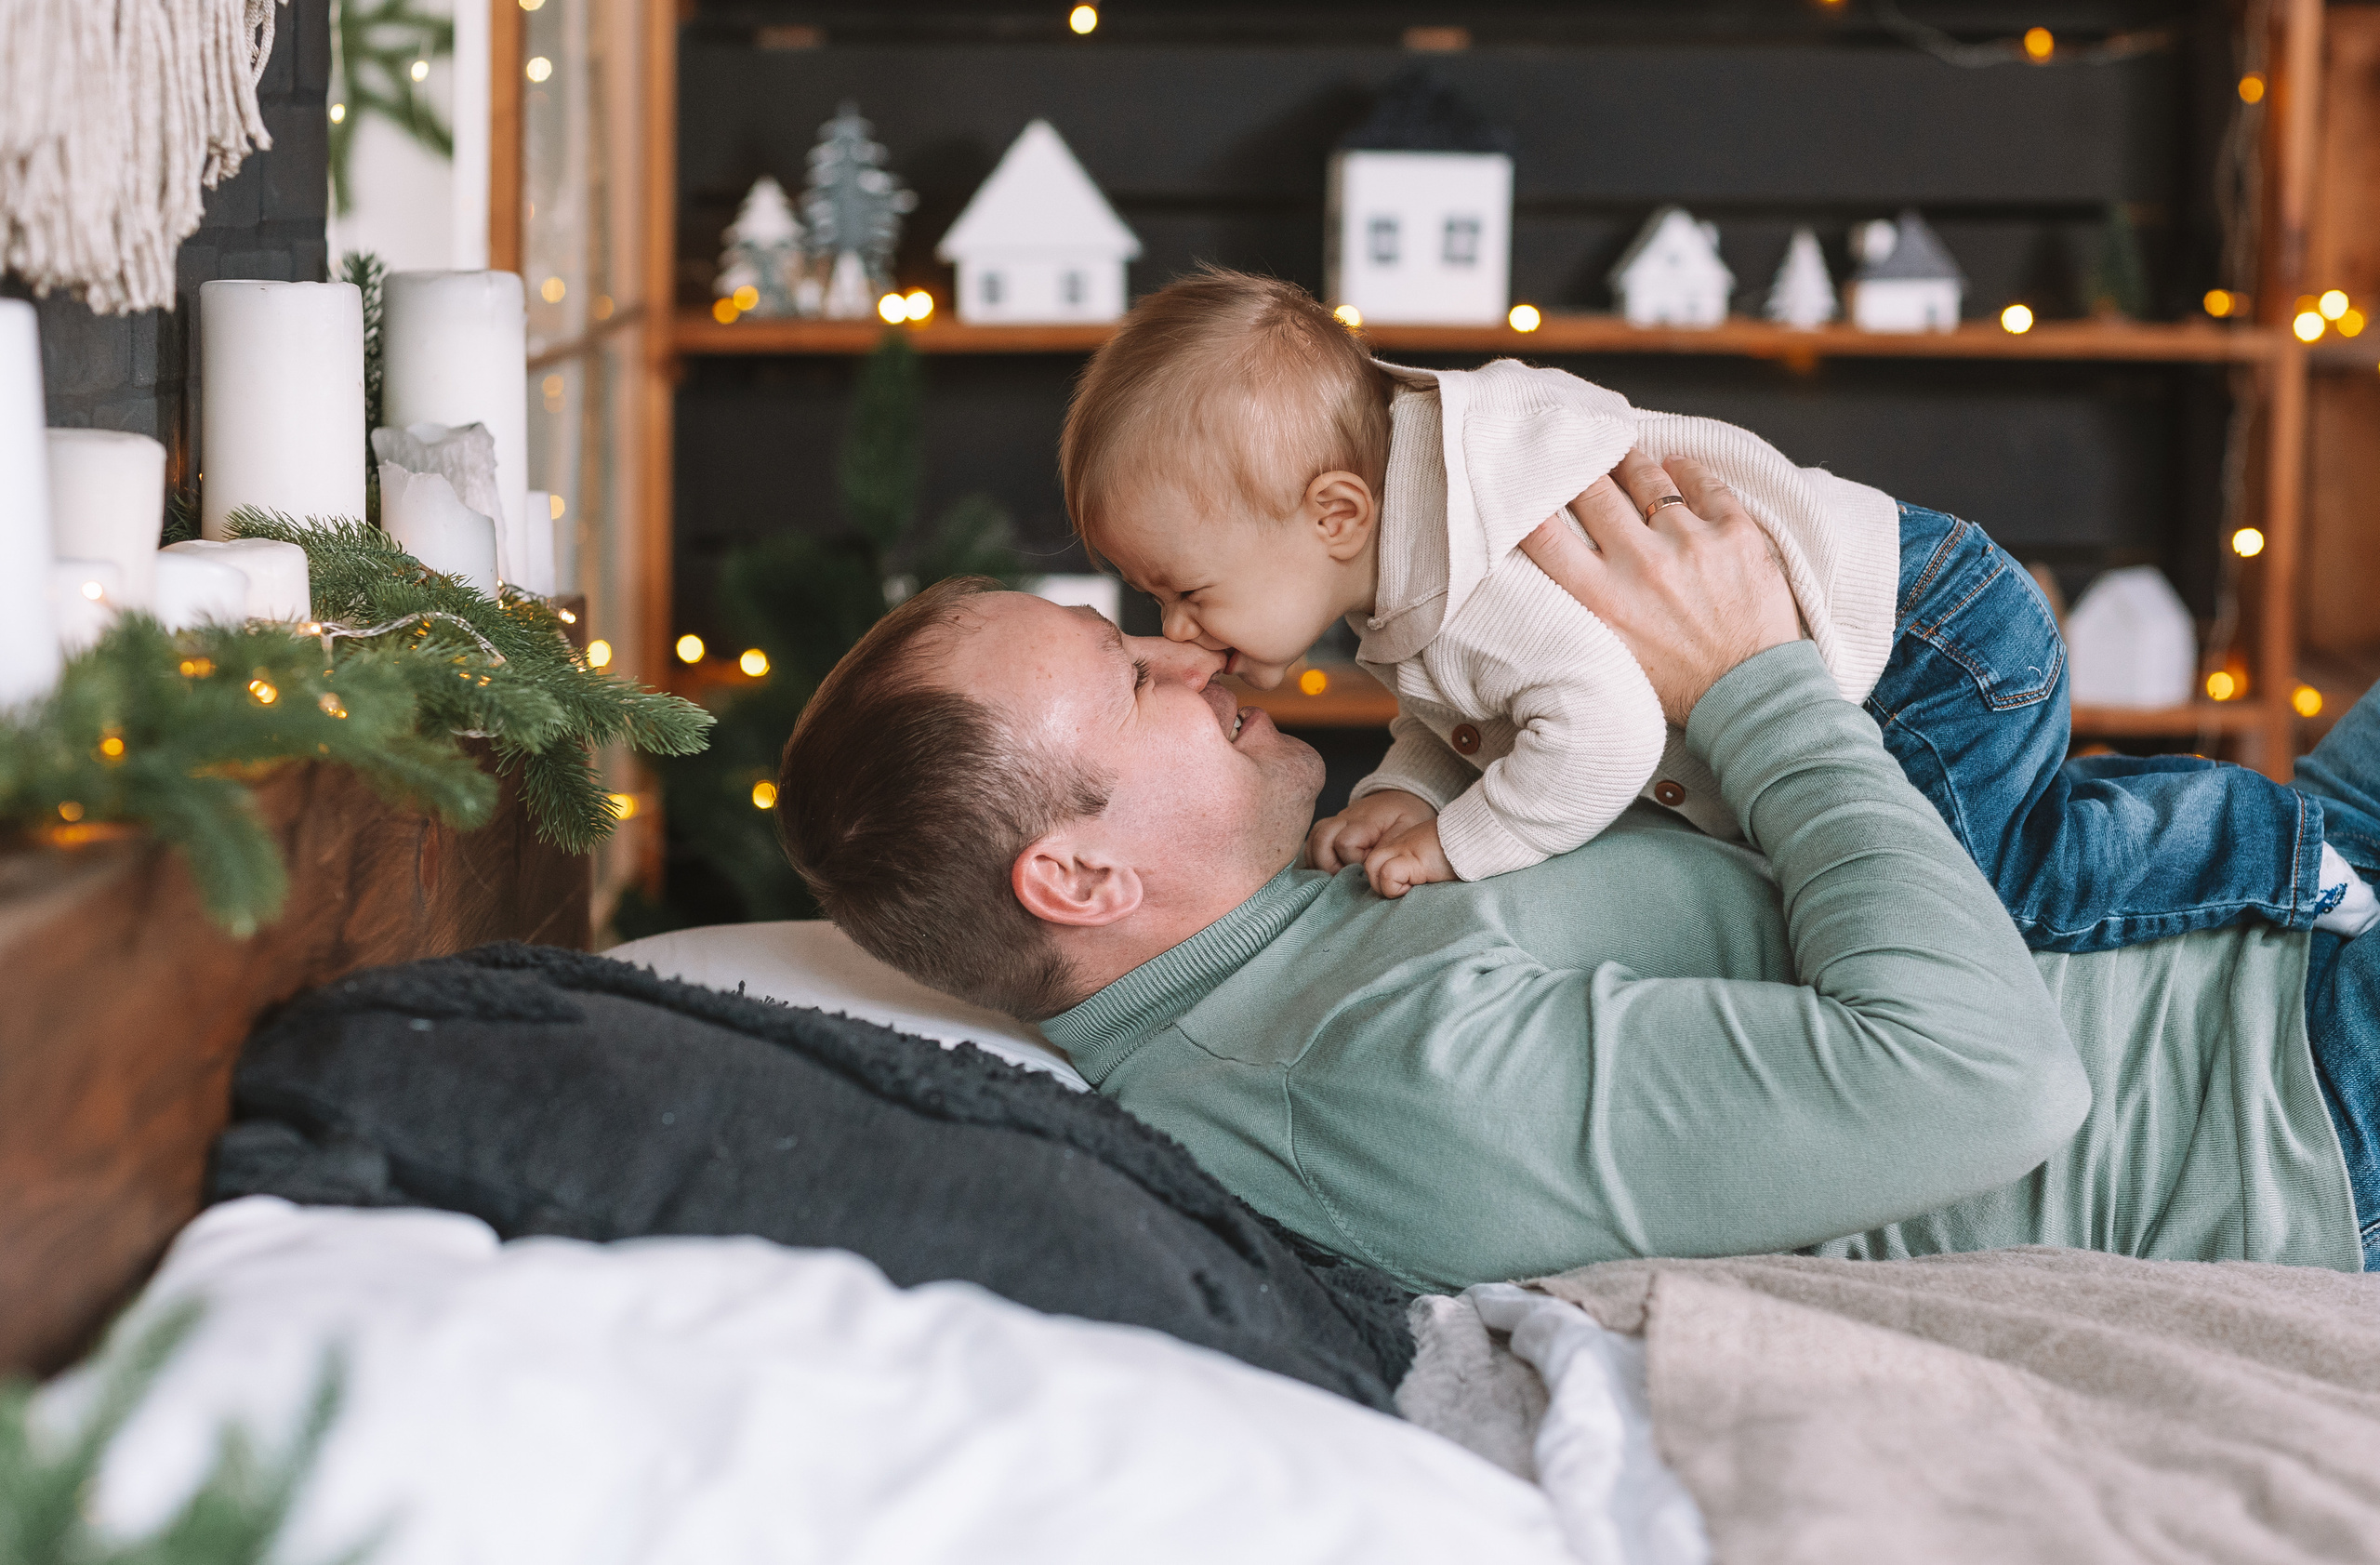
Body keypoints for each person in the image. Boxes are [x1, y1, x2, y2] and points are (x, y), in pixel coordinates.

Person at [775, 454, 2380, 1292]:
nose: (1189, 656)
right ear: (1080, 877)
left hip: (2262, 878)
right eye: (1132, 683)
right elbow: (1987, 1082)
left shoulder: (1314, 902)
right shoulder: (1381, 1079)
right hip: (2294, 1077)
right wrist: (1754, 681)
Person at [1057, 268, 2373, 947]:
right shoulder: (1412, 543)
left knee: (1974, 911)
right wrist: (1414, 786)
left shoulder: (1475, 572)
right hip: (1930, 603)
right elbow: (1474, 709)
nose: (1175, 630)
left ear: (1336, 513)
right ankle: (2162, 817)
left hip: (1916, 644)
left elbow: (1600, 734)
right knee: (1988, 846)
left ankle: (2265, 848)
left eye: (1185, 588)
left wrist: (1469, 847)